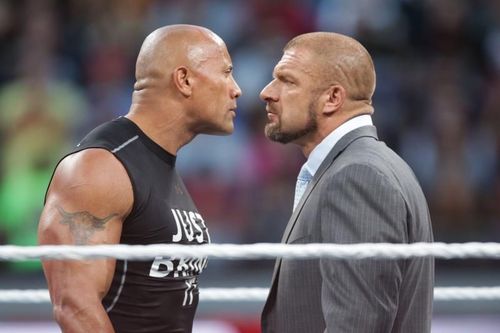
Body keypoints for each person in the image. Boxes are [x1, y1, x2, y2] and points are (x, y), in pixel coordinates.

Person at [38, 24, 241, 333]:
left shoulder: (158, 163)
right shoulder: (100, 167)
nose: (235, 88)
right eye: (226, 72)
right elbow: (75, 307)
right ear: (184, 80)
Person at [260, 32, 434, 333]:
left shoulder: (357, 176)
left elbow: (357, 323)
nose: (267, 92)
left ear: (332, 98)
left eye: (287, 81)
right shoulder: (363, 167)